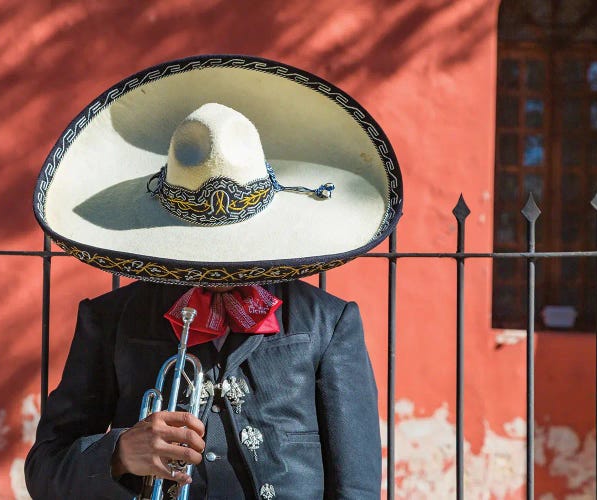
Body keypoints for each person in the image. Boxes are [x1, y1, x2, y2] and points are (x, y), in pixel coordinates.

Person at [25, 55, 403, 499]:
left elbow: (356, 486)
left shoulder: (327, 323)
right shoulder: (110, 319)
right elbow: (44, 471)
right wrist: (120, 452)